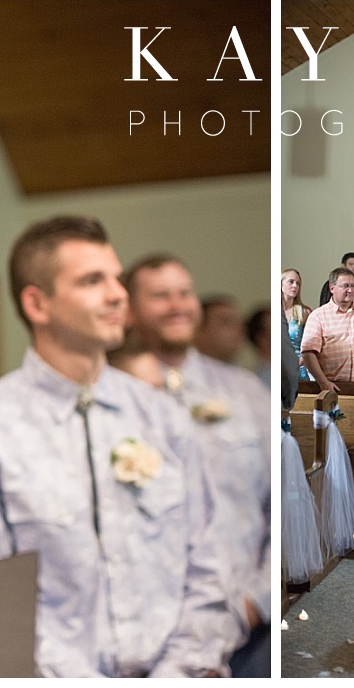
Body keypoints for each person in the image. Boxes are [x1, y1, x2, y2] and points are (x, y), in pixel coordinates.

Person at [0, 217, 229, 677]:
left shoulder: (163, 417)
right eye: (93, 281)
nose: (118, 294)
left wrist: (179, 673)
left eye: (115, 278)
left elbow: (209, 567)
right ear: (37, 303)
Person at [122, 254, 272, 678]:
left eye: (184, 293)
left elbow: (279, 501)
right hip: (151, 631)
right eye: (159, 295)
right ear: (130, 310)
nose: (177, 305)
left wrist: (252, 602)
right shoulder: (112, 399)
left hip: (246, 623)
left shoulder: (244, 393)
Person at [300, 267, 354, 394]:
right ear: (332, 288)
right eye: (345, 286)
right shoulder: (318, 316)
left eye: (353, 286)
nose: (351, 290)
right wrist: (322, 382)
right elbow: (308, 352)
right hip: (333, 386)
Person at [281, 268, 313, 382]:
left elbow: (312, 344)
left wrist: (297, 363)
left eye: (298, 283)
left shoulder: (304, 312)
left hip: (299, 369)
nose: (295, 286)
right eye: (291, 282)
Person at [194, 294, 245, 364]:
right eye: (227, 322)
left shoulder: (244, 374)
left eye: (239, 324)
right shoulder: (178, 372)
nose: (239, 330)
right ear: (199, 329)